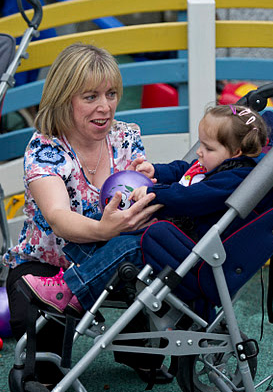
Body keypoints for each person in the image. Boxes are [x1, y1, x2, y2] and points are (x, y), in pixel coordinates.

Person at [17, 103, 268, 380]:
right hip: (180, 244)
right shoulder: (212, 166)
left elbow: (191, 198)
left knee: (131, 244)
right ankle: (77, 274)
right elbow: (183, 170)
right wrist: (154, 172)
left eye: (208, 148)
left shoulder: (236, 177)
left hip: (195, 258)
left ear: (235, 152)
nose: (200, 152)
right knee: (125, 232)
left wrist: (152, 193)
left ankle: (71, 291)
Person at [3, 43, 167, 389]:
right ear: (65, 98)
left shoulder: (126, 138)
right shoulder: (46, 147)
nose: (105, 107)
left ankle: (139, 355)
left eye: (111, 94)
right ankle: (44, 365)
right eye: (90, 96)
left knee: (151, 268)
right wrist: (104, 227)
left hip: (112, 258)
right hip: (48, 265)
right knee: (39, 354)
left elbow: (142, 194)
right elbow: (60, 217)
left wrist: (149, 185)